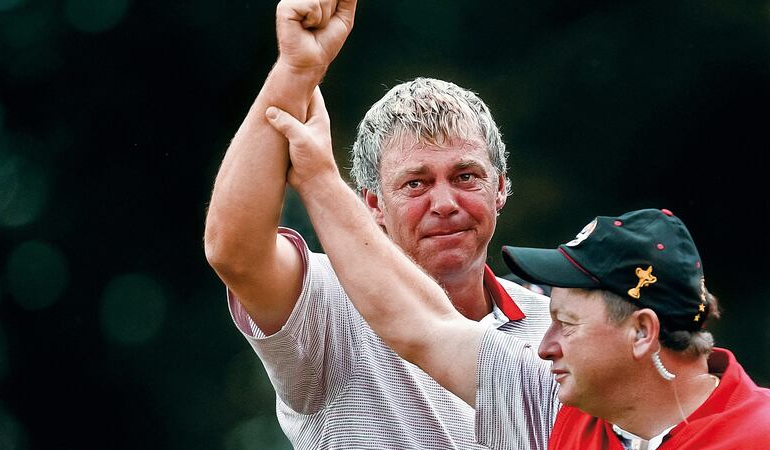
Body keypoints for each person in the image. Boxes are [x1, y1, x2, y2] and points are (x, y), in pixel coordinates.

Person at [264, 86, 770, 448]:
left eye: (567, 324)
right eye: (416, 184)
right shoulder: (560, 410)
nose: (543, 345)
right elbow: (419, 326)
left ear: (642, 332)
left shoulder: (755, 434)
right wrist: (317, 174)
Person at [203, 0, 553, 448]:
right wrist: (296, 70)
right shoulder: (331, 303)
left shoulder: (558, 327)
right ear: (373, 204)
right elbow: (235, 252)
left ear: (501, 187)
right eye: (415, 183)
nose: (444, 203)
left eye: (465, 176)